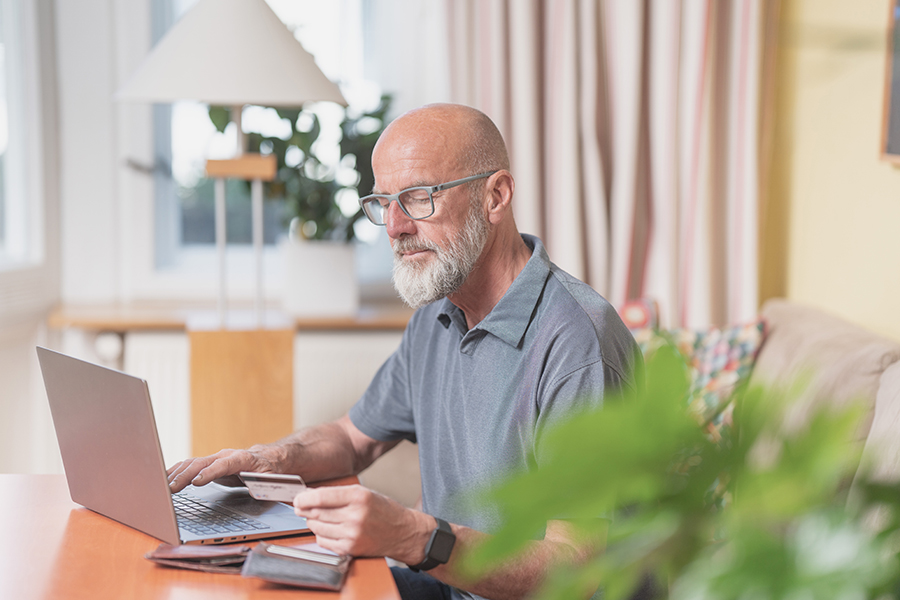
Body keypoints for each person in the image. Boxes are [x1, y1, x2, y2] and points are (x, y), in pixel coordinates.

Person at [168, 103, 641, 600]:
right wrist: (268, 458)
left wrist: (413, 536)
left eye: (418, 198)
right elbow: (353, 440)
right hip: (454, 588)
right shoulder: (437, 315)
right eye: (383, 202)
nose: (394, 226)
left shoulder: (577, 342)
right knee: (258, 589)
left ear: (495, 196)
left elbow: (575, 567)